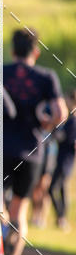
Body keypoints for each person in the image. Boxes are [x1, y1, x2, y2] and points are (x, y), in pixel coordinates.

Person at [2, 28, 67, 255]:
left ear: (12, 50)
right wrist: (47, 124)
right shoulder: (46, 77)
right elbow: (62, 112)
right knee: (21, 211)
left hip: (0, 150)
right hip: (32, 152)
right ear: (36, 52)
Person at [49, 90, 76, 231]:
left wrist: (54, 129)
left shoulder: (72, 121)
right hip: (64, 160)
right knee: (60, 188)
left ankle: (61, 217)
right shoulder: (70, 120)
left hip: (65, 161)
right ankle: (61, 218)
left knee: (54, 188)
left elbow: (64, 139)